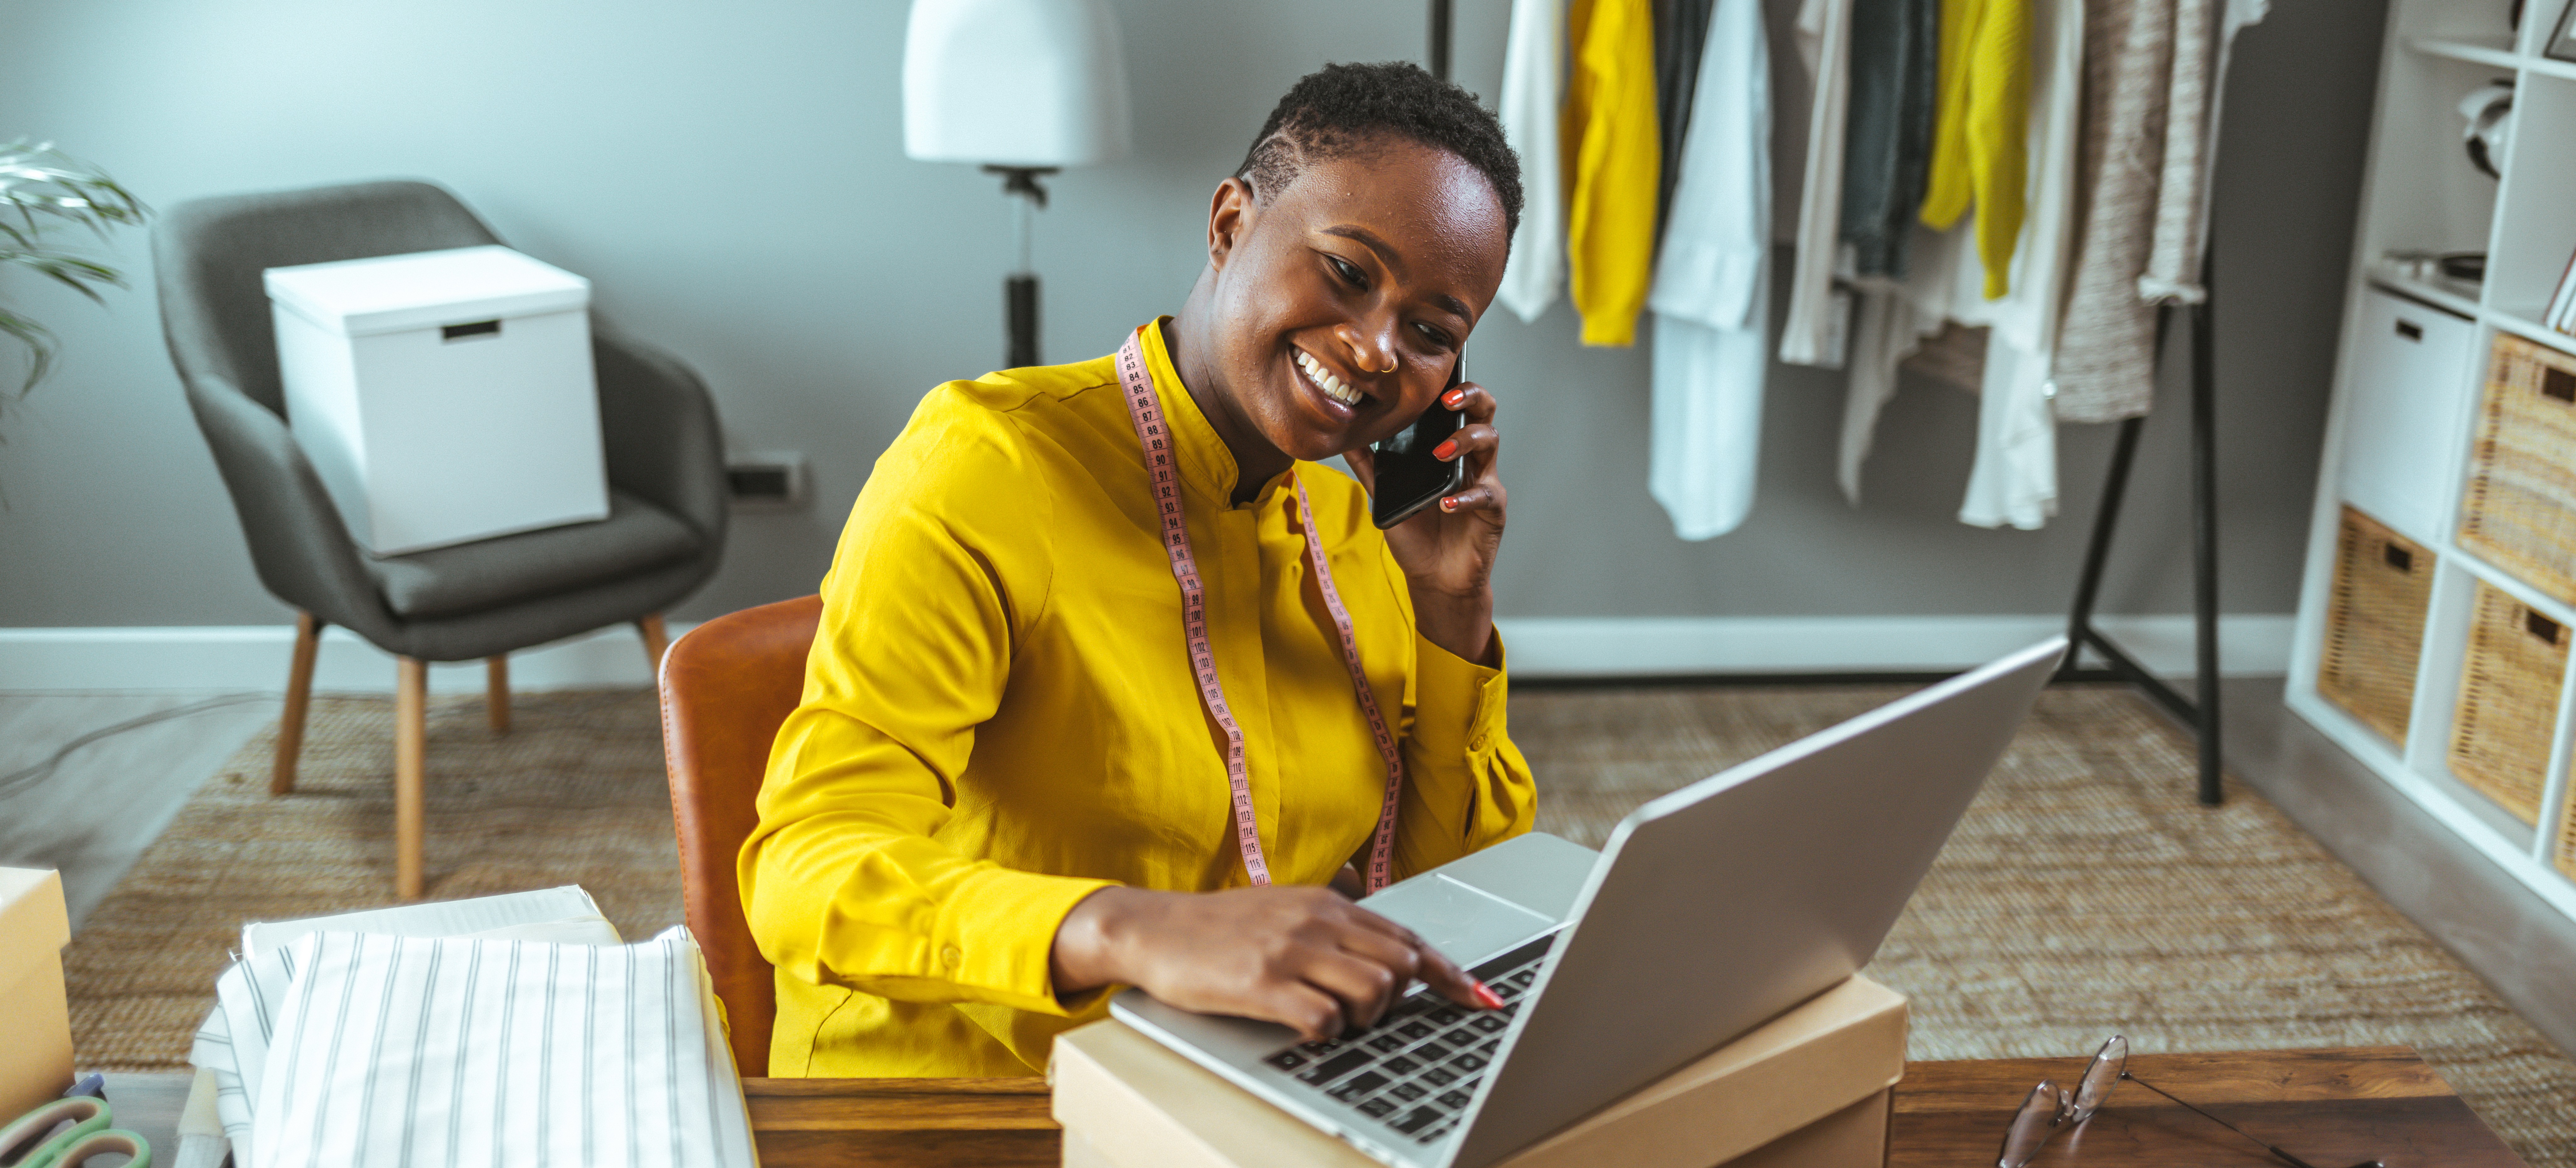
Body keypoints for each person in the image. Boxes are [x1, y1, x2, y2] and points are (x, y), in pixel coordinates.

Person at [741, 61, 1539, 1078]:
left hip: (1250, 1075)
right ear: (1229, 223)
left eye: (1432, 333)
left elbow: (1465, 905)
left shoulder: (1360, 525)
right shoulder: (985, 470)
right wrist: (1130, 930)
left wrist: (1448, 609)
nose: (1379, 350)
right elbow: (805, 869)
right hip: (972, 1097)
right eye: (1346, 271)